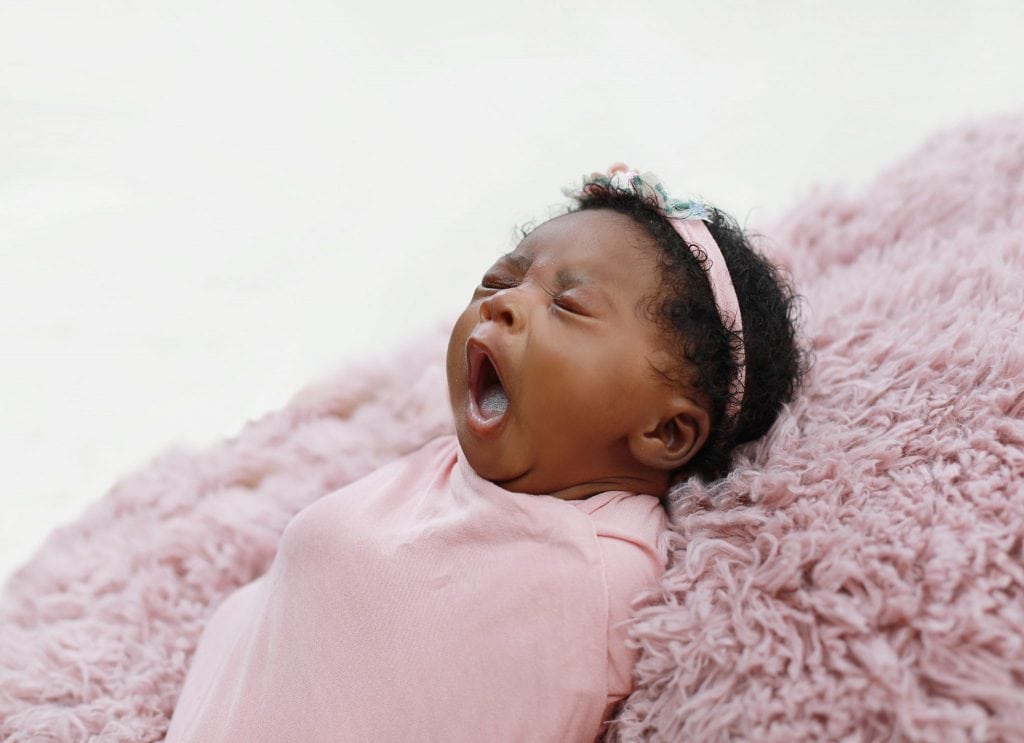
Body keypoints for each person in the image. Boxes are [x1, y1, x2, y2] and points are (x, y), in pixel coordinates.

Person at [164, 166, 804, 742]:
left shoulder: (595, 573)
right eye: (498, 280)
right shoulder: (448, 463)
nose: (501, 303)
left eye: (568, 305)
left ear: (665, 433)